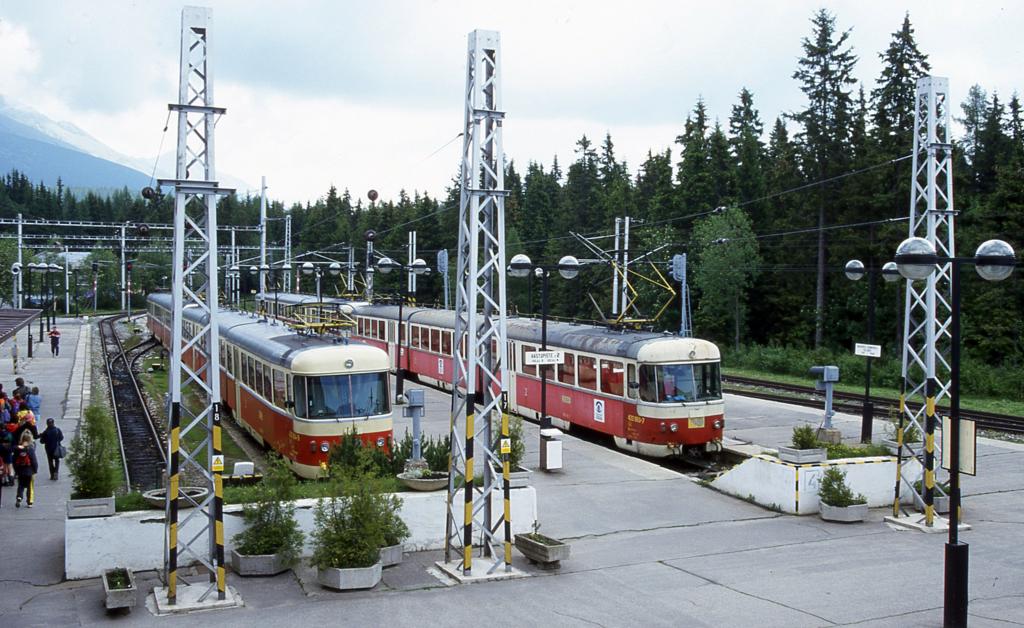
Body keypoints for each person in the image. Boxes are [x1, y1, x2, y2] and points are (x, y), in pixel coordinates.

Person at [13, 431, 38, 508]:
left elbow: (14, 460)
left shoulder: (18, 449)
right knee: (30, 486)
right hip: (29, 471)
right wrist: (35, 470)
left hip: (20, 470)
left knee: (20, 485)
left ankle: (19, 497)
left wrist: (16, 470)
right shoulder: (30, 449)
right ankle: (29, 502)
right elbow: (34, 461)